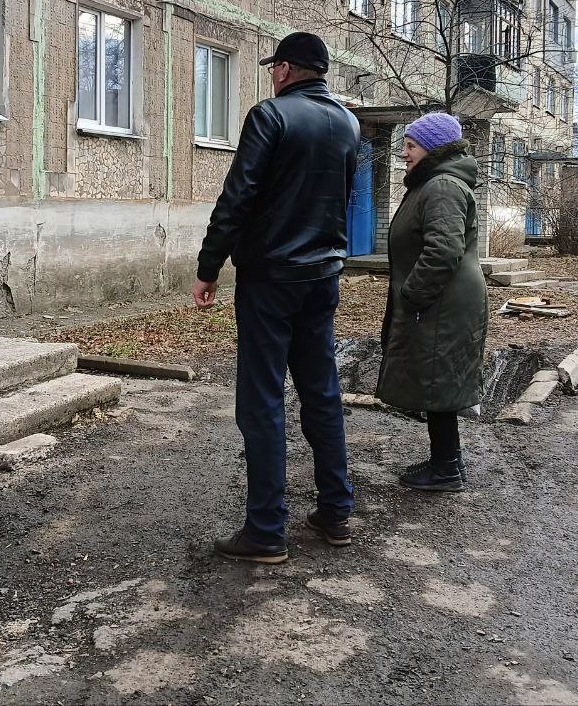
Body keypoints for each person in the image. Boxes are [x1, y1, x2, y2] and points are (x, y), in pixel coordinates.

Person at [193, 32, 361, 564]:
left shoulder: (270, 116)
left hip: (271, 277)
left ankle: (266, 529)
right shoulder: (349, 123)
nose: (271, 74)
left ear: (286, 69)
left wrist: (208, 266)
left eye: (273, 67)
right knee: (321, 390)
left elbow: (238, 194)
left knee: (262, 398)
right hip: (323, 275)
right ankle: (336, 511)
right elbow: (339, 197)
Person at [376, 112, 488, 492]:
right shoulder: (435, 183)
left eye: (411, 146)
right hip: (443, 299)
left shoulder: (442, 186)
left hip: (443, 300)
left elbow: (443, 250)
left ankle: (445, 469)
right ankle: (448, 460)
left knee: (438, 378)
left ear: (433, 147)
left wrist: (413, 295)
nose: (404, 153)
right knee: (437, 378)